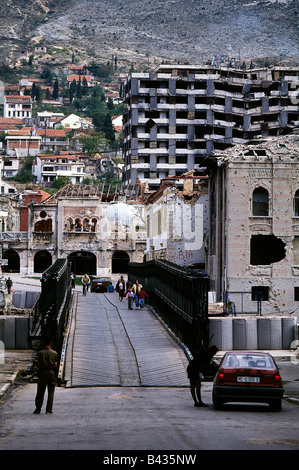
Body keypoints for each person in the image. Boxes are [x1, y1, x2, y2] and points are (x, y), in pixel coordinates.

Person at [33, 337, 58, 414]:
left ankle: (38, 409)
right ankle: (49, 409)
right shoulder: (54, 353)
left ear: (44, 343)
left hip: (42, 373)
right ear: (51, 343)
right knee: (51, 392)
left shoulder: (40, 353)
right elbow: (56, 364)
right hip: (51, 373)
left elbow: (39, 364)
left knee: (40, 391)